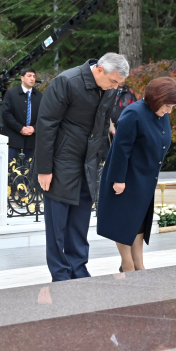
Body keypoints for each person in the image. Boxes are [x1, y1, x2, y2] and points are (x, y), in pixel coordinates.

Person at [35, 53, 129, 281]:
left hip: (88, 163)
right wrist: (44, 169)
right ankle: (60, 273)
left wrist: (105, 162)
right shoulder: (66, 82)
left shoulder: (109, 89)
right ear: (99, 70)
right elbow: (46, 125)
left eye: (118, 84)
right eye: (113, 81)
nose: (115, 87)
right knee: (57, 225)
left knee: (80, 222)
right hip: (60, 163)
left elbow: (103, 127)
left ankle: (79, 269)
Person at [97, 77, 176, 273]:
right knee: (124, 221)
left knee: (139, 222)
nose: (169, 111)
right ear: (156, 99)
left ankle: (139, 264)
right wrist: (118, 180)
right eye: (168, 106)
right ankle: (127, 264)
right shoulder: (134, 113)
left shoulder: (161, 114)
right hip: (127, 177)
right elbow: (120, 149)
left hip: (145, 178)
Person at [2, 67, 42, 162]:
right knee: (10, 168)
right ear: (22, 78)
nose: (32, 79)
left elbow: (44, 115)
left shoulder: (39, 96)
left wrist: (34, 128)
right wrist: (20, 128)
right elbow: (6, 113)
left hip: (32, 139)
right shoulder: (11, 94)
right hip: (13, 138)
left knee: (28, 169)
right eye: (29, 76)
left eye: (34, 76)